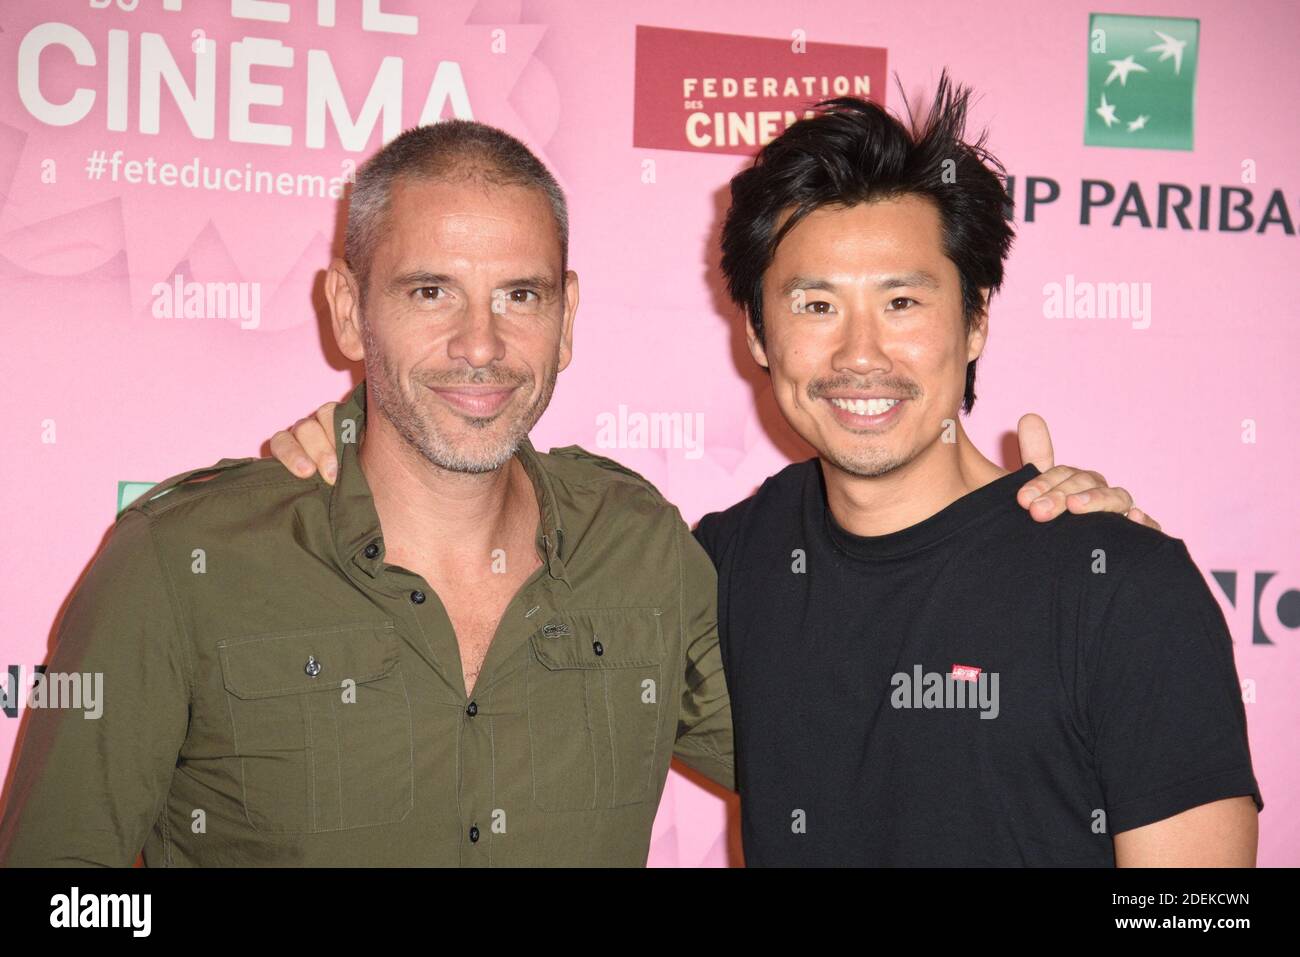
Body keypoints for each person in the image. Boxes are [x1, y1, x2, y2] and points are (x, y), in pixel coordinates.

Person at [260, 87, 1206, 867]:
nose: (860, 353)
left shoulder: (1121, 584)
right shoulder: (713, 567)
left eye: (905, 301)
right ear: (756, 331)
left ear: (975, 323)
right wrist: (357, 445)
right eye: (816, 303)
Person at [1, 120, 737, 866]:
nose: (480, 344)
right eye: (430, 291)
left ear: (566, 317)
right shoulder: (180, 560)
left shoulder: (641, 547)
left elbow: (824, 765)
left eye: (520, 294)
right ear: (350, 310)